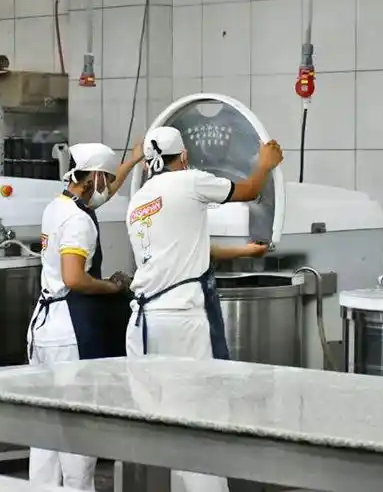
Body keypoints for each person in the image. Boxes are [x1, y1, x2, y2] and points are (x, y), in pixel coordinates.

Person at [124, 126, 283, 492]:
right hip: (182, 319)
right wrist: (265, 164)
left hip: (143, 322)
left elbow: (187, 247)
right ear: (182, 157)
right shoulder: (190, 181)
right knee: (201, 420)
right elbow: (249, 191)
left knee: (164, 426)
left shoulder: (140, 199)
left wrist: (244, 251)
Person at [27, 142, 143, 490]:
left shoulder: (58, 205)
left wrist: (132, 160)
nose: (108, 185)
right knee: (78, 426)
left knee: (45, 425)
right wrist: (114, 286)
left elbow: (101, 195)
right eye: (105, 178)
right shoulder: (79, 221)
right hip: (70, 331)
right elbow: (75, 278)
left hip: (44, 327)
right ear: (93, 176)